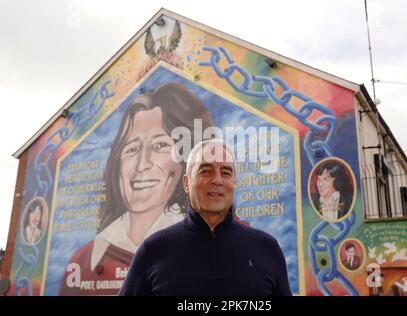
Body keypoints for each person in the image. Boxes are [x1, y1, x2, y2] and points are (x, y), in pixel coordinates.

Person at [59, 82, 215, 295]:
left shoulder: (220, 243)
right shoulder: (83, 261)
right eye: (132, 148)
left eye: (160, 146)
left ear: (186, 162)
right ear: (117, 163)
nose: (142, 164)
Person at [119, 140, 292, 296]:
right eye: (206, 171)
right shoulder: (154, 250)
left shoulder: (266, 248)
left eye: (226, 172)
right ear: (186, 183)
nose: (217, 180)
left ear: (235, 183)